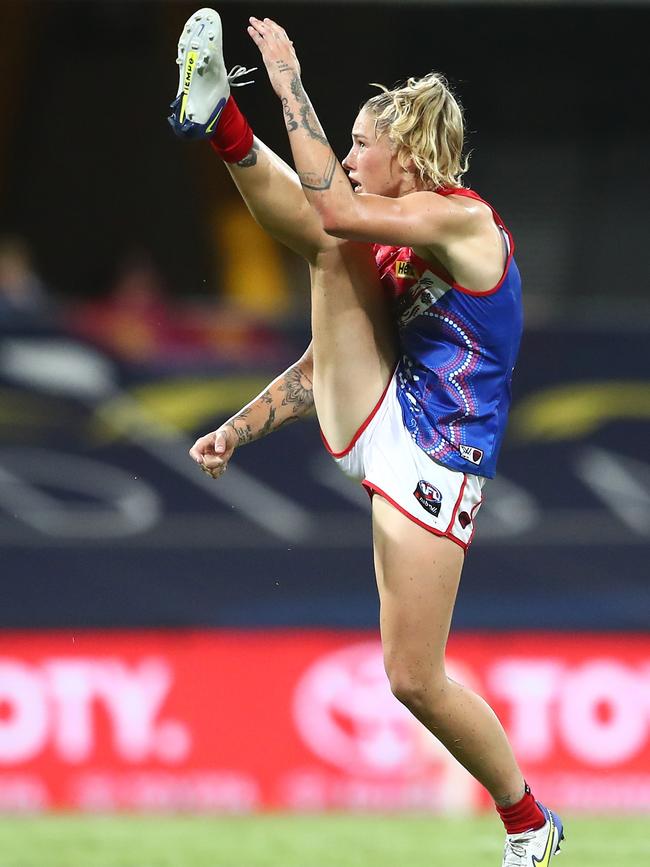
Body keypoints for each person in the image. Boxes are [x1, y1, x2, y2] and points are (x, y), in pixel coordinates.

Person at [169, 9, 564, 865]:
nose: (349, 157)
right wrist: (237, 428)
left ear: (409, 153)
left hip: (439, 459)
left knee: (413, 677)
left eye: (360, 143)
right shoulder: (383, 246)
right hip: (384, 416)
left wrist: (289, 85)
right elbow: (325, 363)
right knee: (325, 240)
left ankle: (530, 821)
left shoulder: (466, 224)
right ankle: (218, 122)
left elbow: (338, 212)